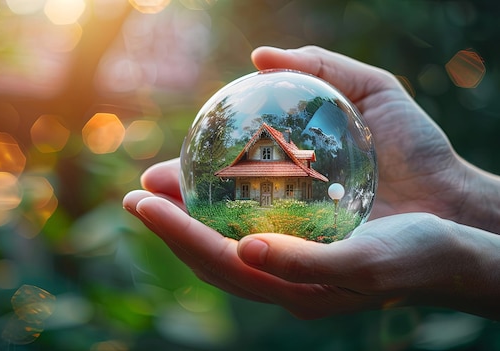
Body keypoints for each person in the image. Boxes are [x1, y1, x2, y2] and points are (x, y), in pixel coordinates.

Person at [122, 46, 500, 321]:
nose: (266, 178)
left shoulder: (301, 161)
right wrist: (463, 202)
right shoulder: (249, 160)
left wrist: (465, 259)